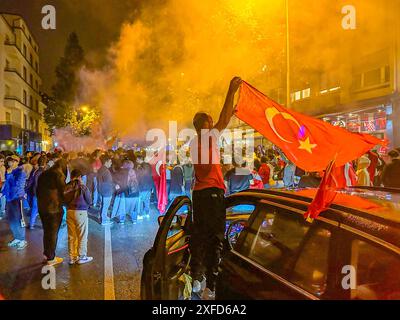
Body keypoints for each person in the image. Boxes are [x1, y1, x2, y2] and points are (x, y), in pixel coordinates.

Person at [189, 76, 242, 300]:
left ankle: (196, 278)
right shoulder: (207, 137)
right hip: (212, 194)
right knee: (215, 239)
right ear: (205, 125)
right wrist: (231, 91)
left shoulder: (194, 142)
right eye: (210, 121)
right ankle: (211, 284)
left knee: (199, 236)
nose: (214, 124)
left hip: (199, 194)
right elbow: (224, 119)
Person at [37, 159, 67, 266]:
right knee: (53, 233)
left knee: (47, 231)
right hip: (54, 209)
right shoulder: (59, 175)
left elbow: (37, 190)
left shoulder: (44, 174)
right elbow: (64, 192)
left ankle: (47, 254)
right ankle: (51, 258)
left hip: (42, 207)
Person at [64, 169, 93, 265]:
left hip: (69, 212)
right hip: (81, 212)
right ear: (80, 177)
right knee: (82, 235)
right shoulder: (83, 187)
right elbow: (89, 201)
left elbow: (63, 200)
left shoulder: (67, 186)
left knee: (71, 236)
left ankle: (72, 258)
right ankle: (82, 257)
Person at [2, 155, 28, 250]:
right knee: (12, 219)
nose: (10, 163)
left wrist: (9, 175)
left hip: (17, 198)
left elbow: (16, 185)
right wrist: (2, 193)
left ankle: (22, 239)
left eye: (13, 161)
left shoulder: (21, 172)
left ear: (17, 162)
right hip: (9, 199)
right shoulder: (9, 172)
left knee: (19, 219)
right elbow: (7, 185)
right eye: (9, 161)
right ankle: (17, 237)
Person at [25, 154, 46, 229]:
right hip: (43, 194)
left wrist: (26, 189)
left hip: (35, 193)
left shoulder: (35, 171)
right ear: (45, 163)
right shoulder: (46, 172)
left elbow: (31, 182)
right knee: (43, 210)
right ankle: (44, 225)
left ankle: (31, 224)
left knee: (34, 209)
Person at [97, 155, 115, 226]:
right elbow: (108, 182)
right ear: (106, 162)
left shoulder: (101, 169)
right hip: (106, 191)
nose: (111, 163)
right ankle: (104, 220)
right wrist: (114, 186)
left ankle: (103, 217)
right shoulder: (106, 171)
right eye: (110, 161)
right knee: (105, 206)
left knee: (103, 205)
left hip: (101, 190)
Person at [0, 154, 6, 220]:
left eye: (3, 161)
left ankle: (1, 213)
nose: (3, 163)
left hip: (2, 186)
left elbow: (3, 178)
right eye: (1, 161)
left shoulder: (3, 168)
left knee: (2, 201)